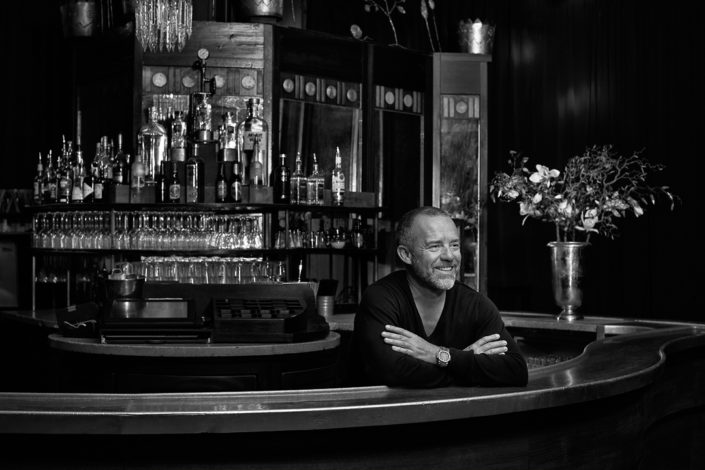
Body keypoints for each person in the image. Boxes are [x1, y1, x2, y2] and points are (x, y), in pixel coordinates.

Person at [350, 206, 528, 388]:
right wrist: (465, 362)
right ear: (406, 254)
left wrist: (438, 354)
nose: (449, 256)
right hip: (388, 414)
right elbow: (391, 373)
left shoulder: (475, 304)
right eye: (434, 246)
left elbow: (516, 371)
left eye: (454, 245)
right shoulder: (381, 299)